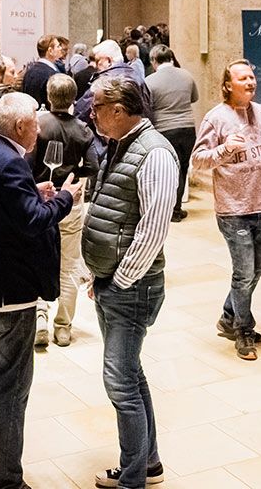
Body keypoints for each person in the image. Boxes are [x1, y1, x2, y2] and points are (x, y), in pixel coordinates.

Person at [0, 93, 79, 489]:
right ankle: (6, 479)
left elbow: (3, 207)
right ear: (19, 127)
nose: (40, 130)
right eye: (35, 124)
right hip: (10, 292)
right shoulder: (11, 161)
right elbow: (31, 223)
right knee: (11, 388)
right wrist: (64, 198)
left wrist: (32, 193)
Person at [82, 75, 179, 489]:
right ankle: (148, 463)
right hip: (113, 281)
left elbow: (153, 227)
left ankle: (133, 478)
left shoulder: (154, 153)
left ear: (120, 111)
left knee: (119, 382)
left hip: (131, 286)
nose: (92, 114)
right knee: (131, 374)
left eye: (98, 107)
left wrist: (120, 278)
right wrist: (98, 273)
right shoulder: (121, 144)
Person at [192, 61, 261, 361]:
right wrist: (225, 149)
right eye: (243, 78)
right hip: (233, 208)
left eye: (252, 77)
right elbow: (199, 160)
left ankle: (229, 314)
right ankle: (243, 329)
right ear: (228, 84)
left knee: (258, 269)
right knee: (243, 273)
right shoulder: (215, 118)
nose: (250, 82)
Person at [33, 74, 98, 347]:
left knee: (36, 259)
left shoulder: (38, 125)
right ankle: (63, 326)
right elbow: (94, 166)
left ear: (48, 96)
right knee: (69, 264)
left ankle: (38, 319)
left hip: (41, 198)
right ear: (74, 98)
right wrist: (74, 174)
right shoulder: (83, 129)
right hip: (70, 199)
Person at [145, 45, 198, 222]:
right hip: (188, 128)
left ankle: (165, 209)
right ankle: (177, 209)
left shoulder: (150, 81)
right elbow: (194, 98)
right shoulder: (187, 75)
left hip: (165, 129)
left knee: (167, 171)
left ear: (154, 60)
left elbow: (147, 106)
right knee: (182, 168)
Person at [19, 34, 64, 109]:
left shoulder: (29, 71)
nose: (61, 48)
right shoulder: (52, 75)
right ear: (50, 51)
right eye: (58, 46)